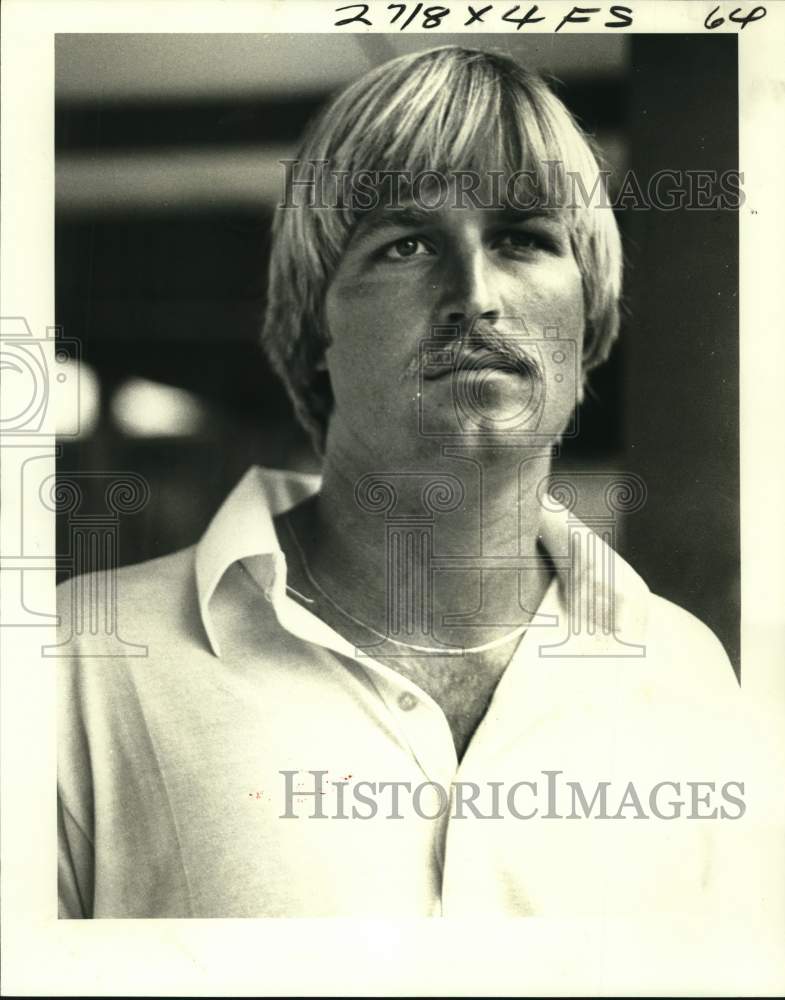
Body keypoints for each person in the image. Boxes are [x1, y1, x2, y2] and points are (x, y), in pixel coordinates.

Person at [58, 46, 743, 919]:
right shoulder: (83, 665)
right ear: (314, 334)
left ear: (589, 321)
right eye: (406, 243)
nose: (475, 296)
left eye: (524, 239)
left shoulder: (683, 669)